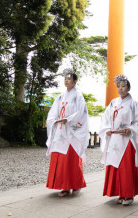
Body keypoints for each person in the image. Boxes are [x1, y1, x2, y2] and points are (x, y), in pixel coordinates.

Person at [99, 75, 138, 206]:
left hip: (127, 139)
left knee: (126, 167)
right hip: (114, 138)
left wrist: (131, 128)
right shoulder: (113, 103)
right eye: (119, 86)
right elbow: (105, 120)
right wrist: (107, 129)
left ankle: (128, 194)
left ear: (128, 88)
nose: (121, 89)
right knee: (114, 166)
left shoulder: (134, 104)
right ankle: (118, 192)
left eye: (123, 86)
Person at [46, 68, 90, 197]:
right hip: (61, 131)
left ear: (75, 81)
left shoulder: (78, 96)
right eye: (65, 78)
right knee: (61, 160)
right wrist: (54, 120)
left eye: (69, 78)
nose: (66, 80)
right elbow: (53, 112)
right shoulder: (60, 97)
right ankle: (64, 186)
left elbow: (81, 112)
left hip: (72, 132)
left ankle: (76, 184)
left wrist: (69, 119)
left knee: (72, 159)